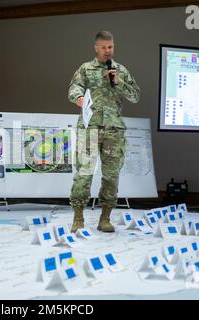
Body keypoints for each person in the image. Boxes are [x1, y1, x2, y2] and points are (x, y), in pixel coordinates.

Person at [68, 31, 140, 233]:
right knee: (84, 173)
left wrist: (120, 82)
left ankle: (105, 218)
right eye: (104, 47)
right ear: (96, 48)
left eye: (111, 47)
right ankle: (78, 218)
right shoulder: (86, 68)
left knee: (111, 176)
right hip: (89, 128)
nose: (108, 51)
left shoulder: (121, 70)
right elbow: (73, 87)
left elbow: (135, 96)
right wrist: (78, 98)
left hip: (114, 131)